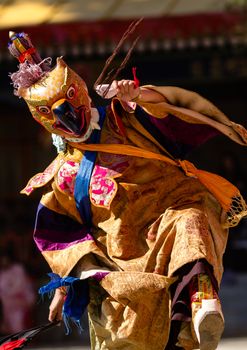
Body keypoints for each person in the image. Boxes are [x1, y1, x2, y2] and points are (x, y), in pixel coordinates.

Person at [8, 31, 247, 350]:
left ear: (78, 90)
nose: (65, 114)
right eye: (50, 111)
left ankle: (203, 299)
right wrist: (70, 285)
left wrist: (139, 96)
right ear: (41, 119)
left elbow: (168, 110)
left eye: (66, 100)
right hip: (121, 265)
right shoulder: (63, 175)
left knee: (190, 221)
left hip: (169, 226)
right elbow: (61, 236)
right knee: (129, 324)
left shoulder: (127, 121)